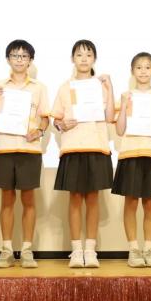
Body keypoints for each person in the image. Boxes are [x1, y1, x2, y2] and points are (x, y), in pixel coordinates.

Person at [52, 39, 115, 268]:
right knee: (75, 199)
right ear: (73, 59)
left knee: (93, 199)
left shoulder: (101, 85)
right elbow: (56, 119)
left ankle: (91, 250)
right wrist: (61, 124)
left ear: (94, 59)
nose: (84, 59)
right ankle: (76, 250)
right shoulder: (65, 87)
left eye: (88, 55)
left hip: (97, 146)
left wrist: (110, 87)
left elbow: (110, 117)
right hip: (73, 147)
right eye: (79, 55)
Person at [0, 40, 49, 269]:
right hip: (4, 147)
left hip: (29, 149)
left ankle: (26, 250)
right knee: (6, 200)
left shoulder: (39, 87)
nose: (19, 60)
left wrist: (40, 131)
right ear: (8, 59)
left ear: (30, 61)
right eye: (15, 55)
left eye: (24, 56)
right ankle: (6, 250)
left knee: (28, 200)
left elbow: (45, 118)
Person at [112, 52, 151, 268]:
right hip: (130, 154)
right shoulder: (126, 97)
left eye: (147, 67)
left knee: (150, 204)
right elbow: (119, 130)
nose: (143, 71)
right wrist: (122, 105)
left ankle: (148, 249)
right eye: (139, 67)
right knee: (130, 203)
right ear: (132, 71)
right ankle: (134, 250)